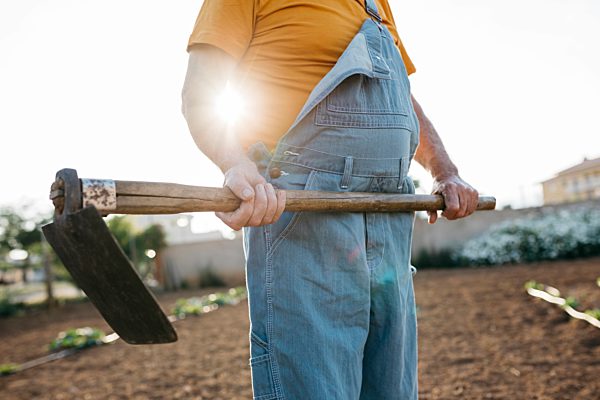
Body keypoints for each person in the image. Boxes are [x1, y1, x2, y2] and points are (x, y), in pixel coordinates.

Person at [182, 1, 479, 399]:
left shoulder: (375, 5)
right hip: (303, 210)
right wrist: (236, 164)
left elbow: (402, 100)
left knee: (392, 390)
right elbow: (202, 89)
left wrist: (446, 172)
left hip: (388, 215)